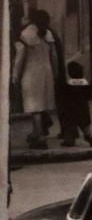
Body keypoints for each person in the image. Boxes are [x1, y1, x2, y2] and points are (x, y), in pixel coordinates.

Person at [12, 10, 63, 149]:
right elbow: (54, 57)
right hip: (46, 72)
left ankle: (39, 137)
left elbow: (19, 59)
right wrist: (55, 73)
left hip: (31, 73)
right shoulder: (48, 34)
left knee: (35, 107)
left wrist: (15, 76)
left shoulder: (26, 34)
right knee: (41, 105)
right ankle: (36, 132)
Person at [58, 61, 92, 148]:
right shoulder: (84, 82)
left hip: (72, 110)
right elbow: (89, 94)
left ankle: (69, 140)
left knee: (70, 125)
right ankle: (89, 136)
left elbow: (64, 96)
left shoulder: (69, 84)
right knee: (85, 126)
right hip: (84, 109)